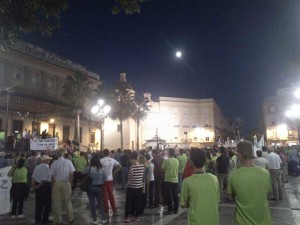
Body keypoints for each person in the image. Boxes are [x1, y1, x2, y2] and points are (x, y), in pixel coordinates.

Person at [228, 140, 272, 225]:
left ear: (240, 155)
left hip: (242, 221)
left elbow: (231, 196)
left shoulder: (234, 175)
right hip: (264, 221)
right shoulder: (265, 173)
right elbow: (268, 193)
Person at [180, 148, 220, 225]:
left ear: (191, 162)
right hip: (213, 220)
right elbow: (217, 200)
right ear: (205, 161)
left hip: (196, 221)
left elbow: (183, 204)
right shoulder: (214, 179)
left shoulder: (187, 181)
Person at [50, 149, 75, 225]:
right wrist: (71, 182)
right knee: (68, 201)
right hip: (66, 182)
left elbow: (52, 175)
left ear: (57, 155)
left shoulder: (54, 162)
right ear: (63, 154)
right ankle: (70, 218)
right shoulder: (68, 162)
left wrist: (53, 184)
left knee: (57, 202)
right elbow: (71, 173)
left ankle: (59, 220)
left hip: (57, 183)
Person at [82, 154, 108, 224]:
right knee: (100, 204)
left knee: (92, 204)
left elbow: (82, 172)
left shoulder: (89, 168)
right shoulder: (102, 169)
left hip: (90, 188)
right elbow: (105, 179)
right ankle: (103, 219)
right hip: (99, 188)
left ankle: (95, 220)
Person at [122, 151, 144, 222]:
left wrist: (126, 186)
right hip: (139, 187)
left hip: (132, 188)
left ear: (133, 159)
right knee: (137, 202)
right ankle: (137, 217)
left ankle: (126, 217)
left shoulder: (132, 168)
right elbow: (142, 177)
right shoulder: (142, 166)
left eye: (131, 159)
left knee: (128, 203)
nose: (130, 161)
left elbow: (129, 179)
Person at [100, 149, 122, 215]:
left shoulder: (101, 160)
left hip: (103, 180)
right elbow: (120, 167)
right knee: (111, 195)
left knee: (105, 195)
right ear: (109, 153)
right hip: (110, 179)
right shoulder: (112, 160)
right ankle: (114, 210)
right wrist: (113, 172)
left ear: (103, 153)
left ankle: (106, 210)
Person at [32, 155, 52, 225]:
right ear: (45, 160)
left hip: (38, 186)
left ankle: (37, 219)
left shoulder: (37, 167)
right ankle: (45, 220)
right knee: (46, 205)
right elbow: (44, 179)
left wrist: (34, 186)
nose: (49, 161)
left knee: (38, 204)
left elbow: (33, 177)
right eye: (48, 160)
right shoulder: (47, 168)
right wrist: (38, 186)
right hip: (45, 186)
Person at [162, 148, 179, 215]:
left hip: (168, 180)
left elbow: (163, 169)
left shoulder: (166, 161)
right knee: (175, 196)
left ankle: (170, 210)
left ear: (169, 153)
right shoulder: (177, 160)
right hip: (175, 180)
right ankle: (176, 210)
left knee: (169, 196)